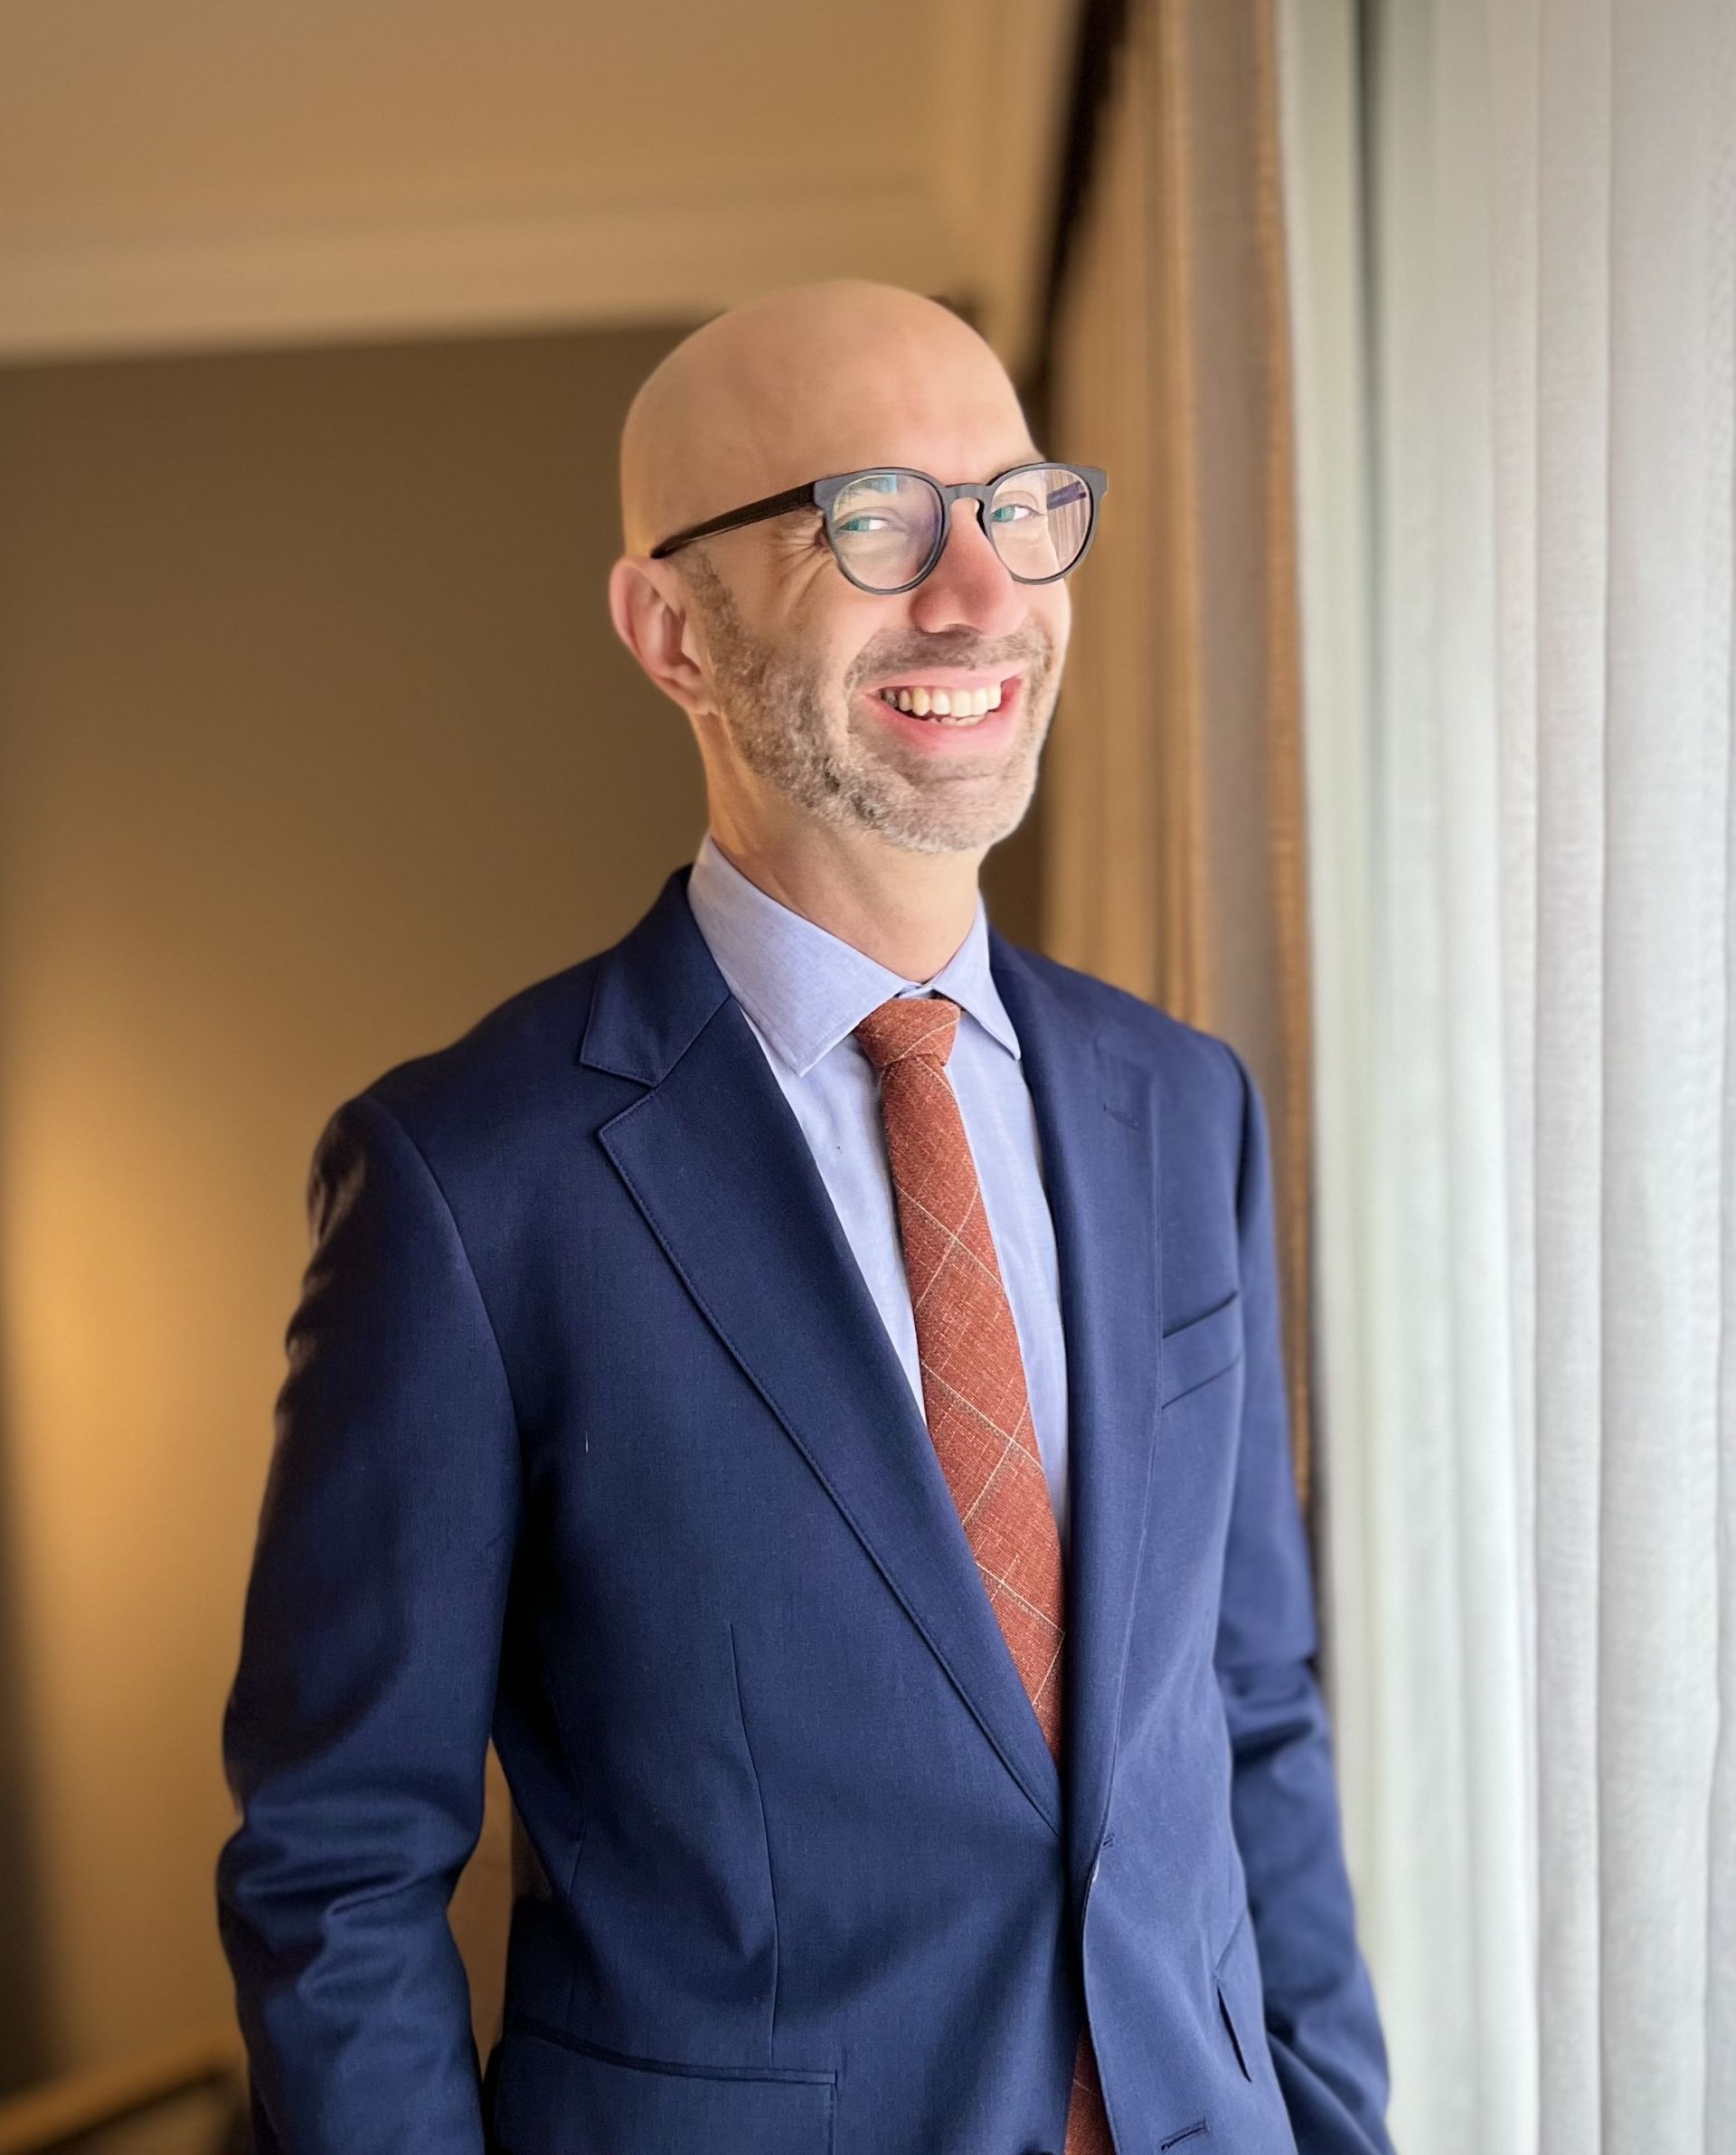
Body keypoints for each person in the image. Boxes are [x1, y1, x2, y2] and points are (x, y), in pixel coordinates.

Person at [215, 279, 1395, 2155]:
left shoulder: (1187, 1110)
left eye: (1015, 508)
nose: (982, 595)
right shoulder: (468, 1182)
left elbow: (1248, 1713)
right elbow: (340, 1866)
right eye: (874, 522)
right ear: (672, 628)